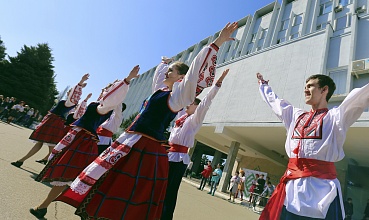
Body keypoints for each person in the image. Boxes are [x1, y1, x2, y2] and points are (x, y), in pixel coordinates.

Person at [53, 22, 238, 220]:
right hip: (129, 141)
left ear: (180, 79)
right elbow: (159, 77)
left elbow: (193, 73)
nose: (168, 72)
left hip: (145, 146)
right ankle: (94, 212)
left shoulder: (177, 98)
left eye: (172, 71)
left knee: (127, 188)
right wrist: (164, 63)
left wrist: (217, 43)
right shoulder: (160, 91)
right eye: (169, 70)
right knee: (108, 179)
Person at [258, 22, 369, 220]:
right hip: (289, 192)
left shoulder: (337, 116)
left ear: (324, 90)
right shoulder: (295, 115)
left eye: (310, 86)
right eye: (305, 86)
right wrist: (263, 85)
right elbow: (275, 102)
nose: (305, 89)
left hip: (320, 197)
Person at [29, 66, 139, 219]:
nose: (105, 89)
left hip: (84, 142)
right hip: (80, 139)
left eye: (109, 88)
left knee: (70, 177)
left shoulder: (103, 108)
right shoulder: (99, 105)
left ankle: (51, 207)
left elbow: (112, 100)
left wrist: (126, 81)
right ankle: (46, 206)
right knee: (69, 178)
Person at [161, 69, 229, 220]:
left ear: (196, 108)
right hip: (169, 154)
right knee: (160, 187)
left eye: (191, 104)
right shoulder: (181, 117)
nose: (188, 105)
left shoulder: (194, 120)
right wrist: (179, 82)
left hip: (178, 159)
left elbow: (206, 102)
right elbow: (178, 98)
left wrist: (217, 84)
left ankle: (165, 217)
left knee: (170, 191)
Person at [11, 75, 89, 168]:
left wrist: (80, 82)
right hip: (53, 121)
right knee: (42, 143)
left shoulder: (70, 102)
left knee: (52, 146)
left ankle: (52, 165)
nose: (69, 92)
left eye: (70, 91)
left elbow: (74, 95)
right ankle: (22, 160)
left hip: (54, 122)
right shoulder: (68, 102)